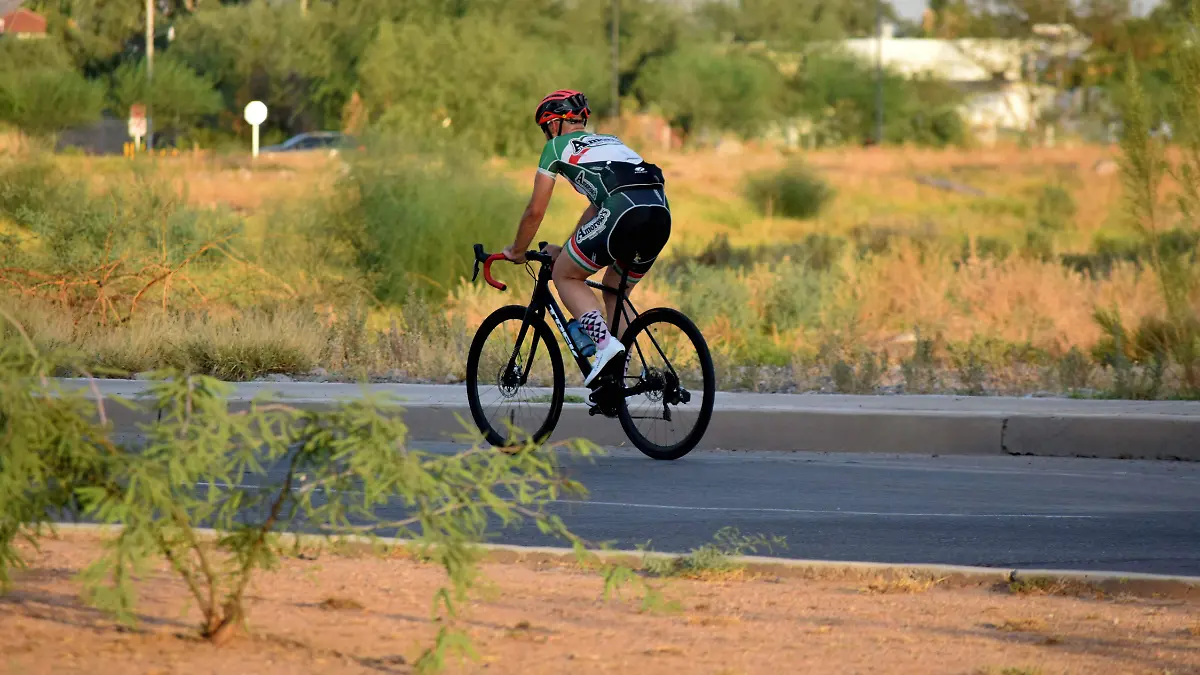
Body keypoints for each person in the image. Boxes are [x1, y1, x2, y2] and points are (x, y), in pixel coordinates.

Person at [503, 89, 672, 390]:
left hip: (624, 211)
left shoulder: (556, 147)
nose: (547, 136)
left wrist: (517, 250)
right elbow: (596, 206)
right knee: (614, 290)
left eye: (546, 129)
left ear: (554, 124)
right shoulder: (610, 141)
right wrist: (568, 248)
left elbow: (535, 210)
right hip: (659, 213)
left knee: (564, 275)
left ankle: (605, 346)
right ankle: (627, 377)